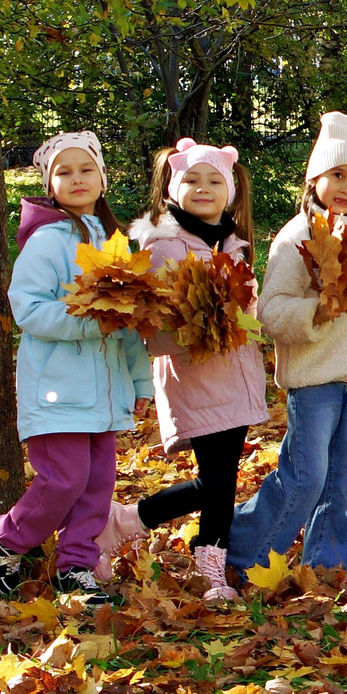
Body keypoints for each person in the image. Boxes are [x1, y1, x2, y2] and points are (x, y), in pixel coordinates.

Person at [0, 133, 151, 605]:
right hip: (57, 389)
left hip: (106, 392)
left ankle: (76, 567)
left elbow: (129, 322)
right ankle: (5, 538)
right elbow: (26, 308)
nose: (76, 179)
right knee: (64, 478)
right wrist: (87, 321)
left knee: (97, 485)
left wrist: (140, 381)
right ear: (49, 184)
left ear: (102, 179)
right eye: (64, 172)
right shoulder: (48, 241)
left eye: (86, 170)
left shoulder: (114, 242)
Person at [225, 113, 347, 581]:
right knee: (306, 475)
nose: (346, 187)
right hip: (314, 378)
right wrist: (315, 310)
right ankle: (245, 551)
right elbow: (270, 311)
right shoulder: (296, 238)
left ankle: (333, 566)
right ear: (315, 177)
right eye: (337, 175)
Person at [126, 140, 268, 596]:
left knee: (224, 478)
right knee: (217, 478)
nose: (203, 189)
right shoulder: (164, 247)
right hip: (197, 376)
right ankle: (139, 522)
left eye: (214, 181)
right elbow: (154, 328)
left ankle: (210, 558)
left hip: (235, 375)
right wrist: (200, 327)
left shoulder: (233, 245)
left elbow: (249, 313)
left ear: (229, 190)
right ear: (172, 187)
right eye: (191, 179)